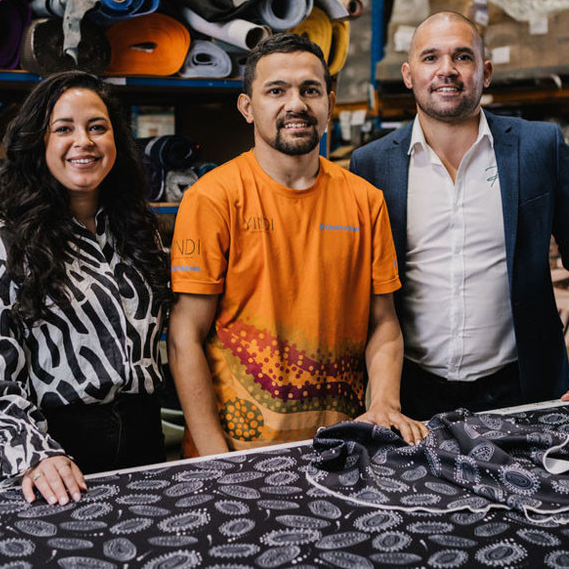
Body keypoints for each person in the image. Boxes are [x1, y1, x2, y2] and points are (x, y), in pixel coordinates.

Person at [349, 12, 569, 419]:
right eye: (431, 58)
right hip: (413, 395)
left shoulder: (537, 147)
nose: (447, 71)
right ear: (408, 74)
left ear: (485, 72)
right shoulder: (372, 164)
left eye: (462, 57)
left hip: (523, 388)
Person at [168, 33, 428, 457]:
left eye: (310, 90)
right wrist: (214, 455)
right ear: (247, 108)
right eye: (276, 91)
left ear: (330, 101)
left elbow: (383, 323)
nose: (296, 104)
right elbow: (185, 334)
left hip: (340, 446)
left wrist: (384, 403)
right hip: (238, 453)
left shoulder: (365, 200)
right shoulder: (213, 198)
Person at [0, 71, 172, 506]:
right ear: (39, 144)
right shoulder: (1, 241)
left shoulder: (140, 233)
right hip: (55, 453)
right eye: (63, 128)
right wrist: (35, 453)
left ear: (115, 142)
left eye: (97, 127)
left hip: (145, 440)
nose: (83, 141)